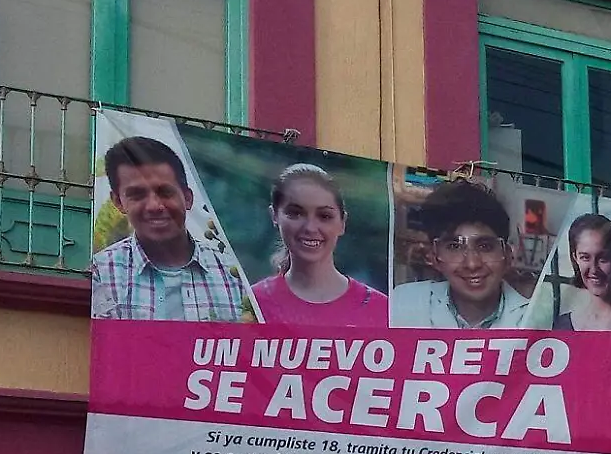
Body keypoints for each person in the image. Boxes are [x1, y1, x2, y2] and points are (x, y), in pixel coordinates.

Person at [90, 136, 253, 322]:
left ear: (188, 198)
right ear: (118, 202)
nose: (154, 206)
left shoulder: (235, 276)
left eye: (165, 192)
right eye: (137, 195)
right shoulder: (101, 274)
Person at [248, 163, 388, 327]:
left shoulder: (382, 309)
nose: (310, 228)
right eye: (295, 213)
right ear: (275, 216)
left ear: (342, 223)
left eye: (324, 216)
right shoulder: (252, 303)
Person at [388, 180, 535, 329]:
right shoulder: (404, 304)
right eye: (454, 247)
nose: (472, 264)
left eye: (485, 246)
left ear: (508, 255)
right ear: (434, 257)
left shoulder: (534, 319)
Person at [553, 214, 611, 332]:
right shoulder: (562, 327)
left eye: (603, 259)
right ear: (575, 258)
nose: (594, 270)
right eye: (585, 257)